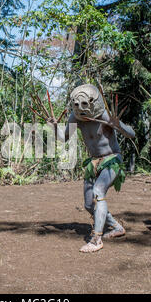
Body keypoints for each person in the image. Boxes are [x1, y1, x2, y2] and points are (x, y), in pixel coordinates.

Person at [40, 84, 135, 253]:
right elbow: (63, 138)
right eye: (77, 105)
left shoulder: (104, 115)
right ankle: (116, 227)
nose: (81, 109)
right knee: (89, 204)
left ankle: (96, 238)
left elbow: (131, 134)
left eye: (85, 105)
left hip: (112, 159)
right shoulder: (75, 118)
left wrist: (118, 125)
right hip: (93, 162)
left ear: (92, 103)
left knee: (99, 191)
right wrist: (54, 127)